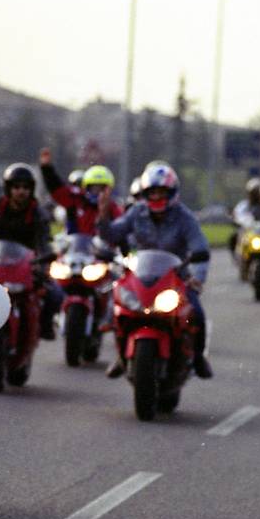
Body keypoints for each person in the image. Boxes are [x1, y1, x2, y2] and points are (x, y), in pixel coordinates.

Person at [97, 161, 213, 380]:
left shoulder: (184, 217)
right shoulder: (137, 213)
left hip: (174, 279)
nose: (157, 197)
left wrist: (196, 279)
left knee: (195, 315)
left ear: (172, 193)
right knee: (118, 306)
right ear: (145, 194)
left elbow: (200, 249)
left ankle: (198, 358)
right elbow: (112, 235)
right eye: (152, 192)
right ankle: (122, 356)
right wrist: (103, 217)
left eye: (162, 192)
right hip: (141, 275)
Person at [0, 163, 62, 340]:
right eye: (16, 187)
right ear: (9, 188)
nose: (21, 191)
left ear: (31, 189)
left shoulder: (38, 212)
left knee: (55, 294)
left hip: (28, 265)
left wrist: (45, 259)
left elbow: (44, 239)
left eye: (25, 187)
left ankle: (45, 326)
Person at [40, 148, 122, 235]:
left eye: (102, 189)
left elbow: (120, 231)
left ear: (109, 190)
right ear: (86, 188)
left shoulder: (113, 208)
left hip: (102, 248)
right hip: (77, 246)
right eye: (94, 188)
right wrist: (47, 170)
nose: (98, 193)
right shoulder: (77, 201)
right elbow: (58, 191)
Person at [230, 176, 260, 256]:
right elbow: (237, 215)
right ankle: (238, 257)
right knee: (234, 236)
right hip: (248, 232)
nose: (255, 196)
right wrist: (236, 220)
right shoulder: (243, 205)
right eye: (253, 193)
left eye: (257, 193)